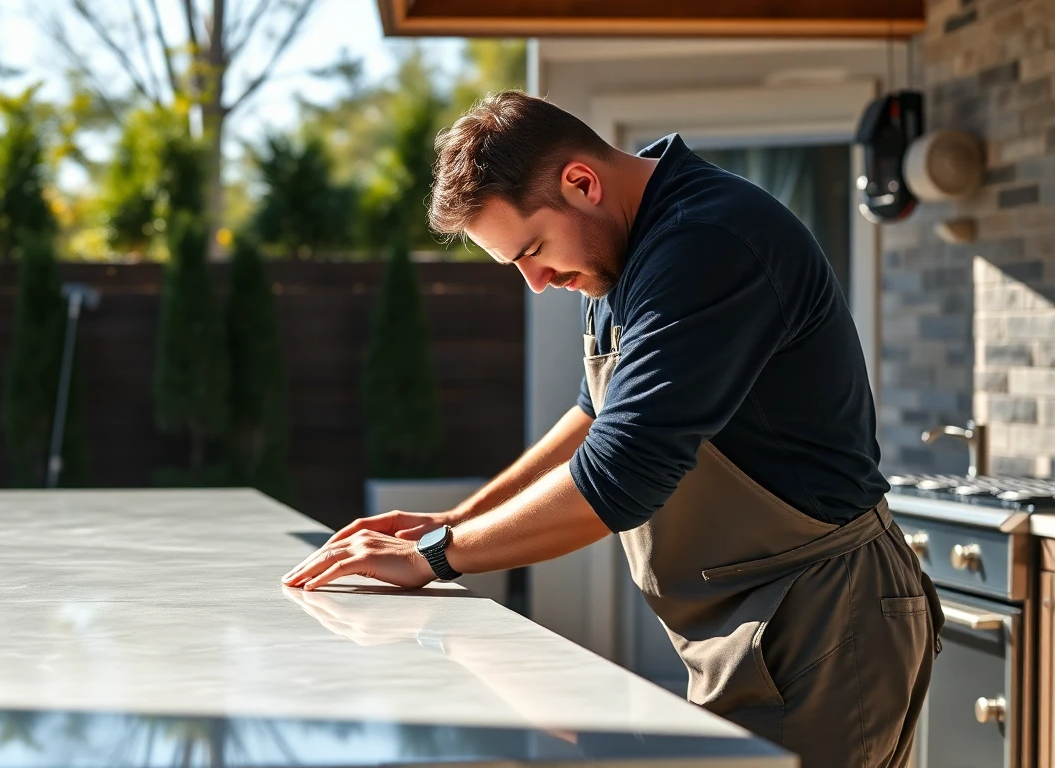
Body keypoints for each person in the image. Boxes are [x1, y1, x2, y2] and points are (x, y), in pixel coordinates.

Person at [281, 90, 943, 768]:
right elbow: (595, 416)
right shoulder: (619, 251)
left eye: (533, 249)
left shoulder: (707, 242)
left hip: (821, 619)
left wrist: (438, 555)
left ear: (581, 182)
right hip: (753, 625)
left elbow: (619, 475)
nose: (537, 281)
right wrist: (456, 518)